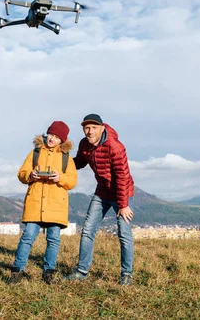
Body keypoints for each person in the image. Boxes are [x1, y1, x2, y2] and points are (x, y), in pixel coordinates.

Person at [65, 114, 135, 286]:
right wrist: (61, 162)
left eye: (93, 128)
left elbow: (122, 176)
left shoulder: (115, 147)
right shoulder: (84, 144)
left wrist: (123, 205)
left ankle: (127, 274)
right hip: (102, 192)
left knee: (123, 233)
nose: (90, 132)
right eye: (86, 128)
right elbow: (79, 162)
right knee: (88, 229)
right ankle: (82, 272)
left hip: (121, 191)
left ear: (102, 128)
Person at [9, 120, 77, 284]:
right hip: (35, 203)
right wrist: (31, 175)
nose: (51, 139)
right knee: (27, 237)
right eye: (50, 135)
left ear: (62, 140)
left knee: (53, 240)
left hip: (56, 205)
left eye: (56, 136)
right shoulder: (36, 153)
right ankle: (17, 271)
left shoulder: (66, 158)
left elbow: (73, 181)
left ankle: (49, 273)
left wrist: (60, 178)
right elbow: (21, 174)